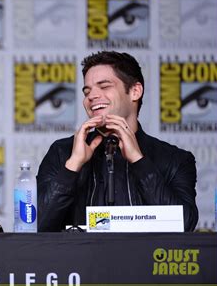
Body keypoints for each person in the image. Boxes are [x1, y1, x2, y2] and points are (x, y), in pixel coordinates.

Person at [37, 51, 198, 232]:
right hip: (78, 260)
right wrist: (73, 166)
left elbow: (184, 225)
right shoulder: (62, 152)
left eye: (104, 86)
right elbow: (35, 225)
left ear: (135, 91)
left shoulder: (175, 159)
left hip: (145, 260)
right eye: (87, 91)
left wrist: (139, 161)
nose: (91, 96)